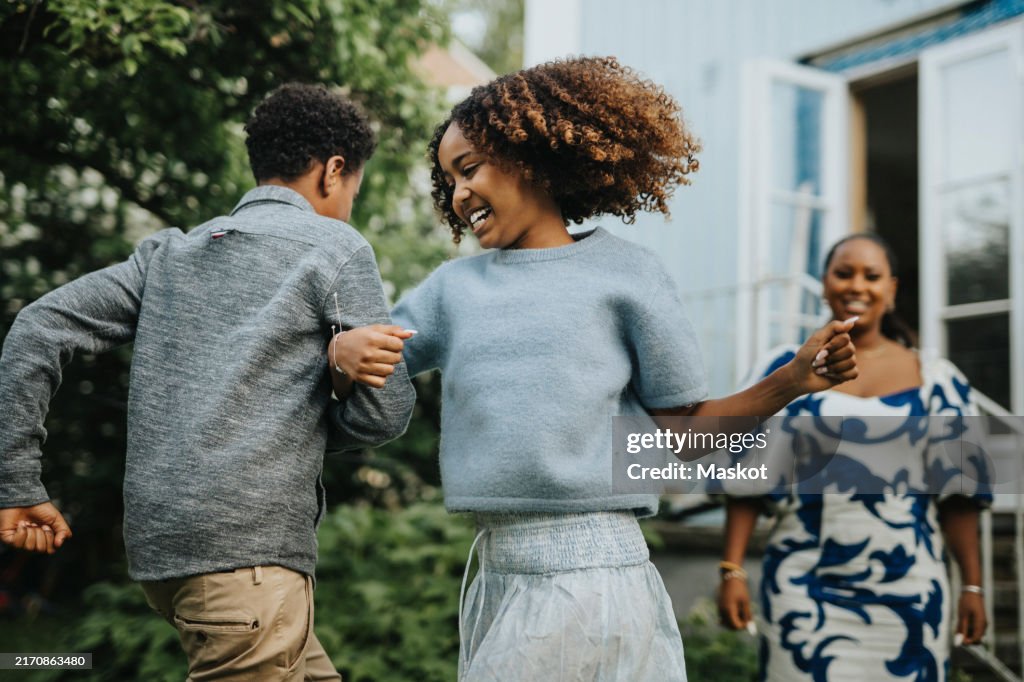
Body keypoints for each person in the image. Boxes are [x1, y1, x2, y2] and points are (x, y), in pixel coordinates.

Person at [330, 56, 858, 682]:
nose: (458, 193)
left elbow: (686, 442)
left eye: (469, 169)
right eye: (448, 181)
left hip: (599, 579)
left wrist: (792, 381)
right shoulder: (453, 290)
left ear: (531, 154)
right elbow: (375, 365)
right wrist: (341, 355)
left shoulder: (627, 275)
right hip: (499, 578)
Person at [0, 83, 416, 680]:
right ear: (333, 171)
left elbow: (38, 326)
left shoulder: (168, 255)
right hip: (246, 563)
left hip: (166, 558)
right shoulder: (336, 247)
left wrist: (16, 482)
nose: (350, 203)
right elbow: (386, 415)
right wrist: (336, 375)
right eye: (354, 188)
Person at [717, 233, 990, 682]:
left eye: (872, 275)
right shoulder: (784, 371)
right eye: (843, 274)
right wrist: (732, 570)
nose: (856, 285)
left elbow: (961, 497)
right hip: (801, 590)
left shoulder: (937, 381)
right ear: (824, 285)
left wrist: (973, 586)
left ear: (892, 289)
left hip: (912, 595)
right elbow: (746, 479)